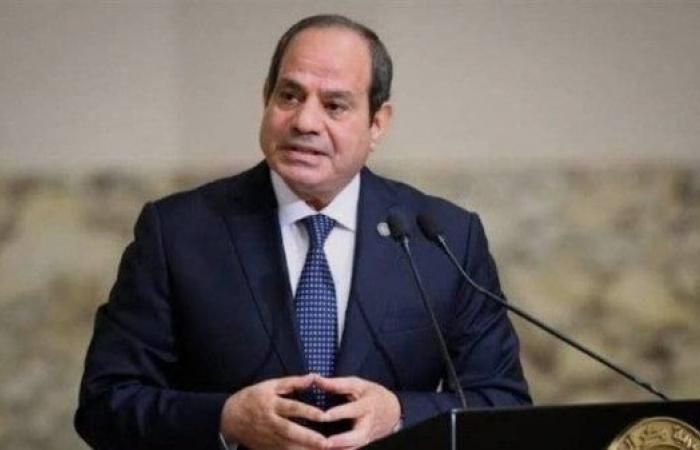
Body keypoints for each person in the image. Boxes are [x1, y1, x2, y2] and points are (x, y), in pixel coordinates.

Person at [75, 14, 531, 450]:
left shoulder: (444, 239)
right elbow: (105, 404)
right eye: (290, 96)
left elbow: (502, 402)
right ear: (266, 98)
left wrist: (399, 414)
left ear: (377, 123)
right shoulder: (177, 232)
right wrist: (227, 419)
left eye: (334, 105)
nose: (305, 122)